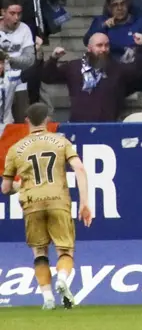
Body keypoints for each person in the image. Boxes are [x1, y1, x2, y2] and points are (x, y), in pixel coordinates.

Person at [2, 103, 93, 310]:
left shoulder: (16, 148)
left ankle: (48, 298)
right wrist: (85, 202)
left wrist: (20, 185)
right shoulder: (61, 142)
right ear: (47, 120)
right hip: (57, 200)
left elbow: (6, 187)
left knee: (39, 252)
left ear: (26, 121)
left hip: (32, 202)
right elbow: (79, 168)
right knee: (65, 251)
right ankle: (62, 278)